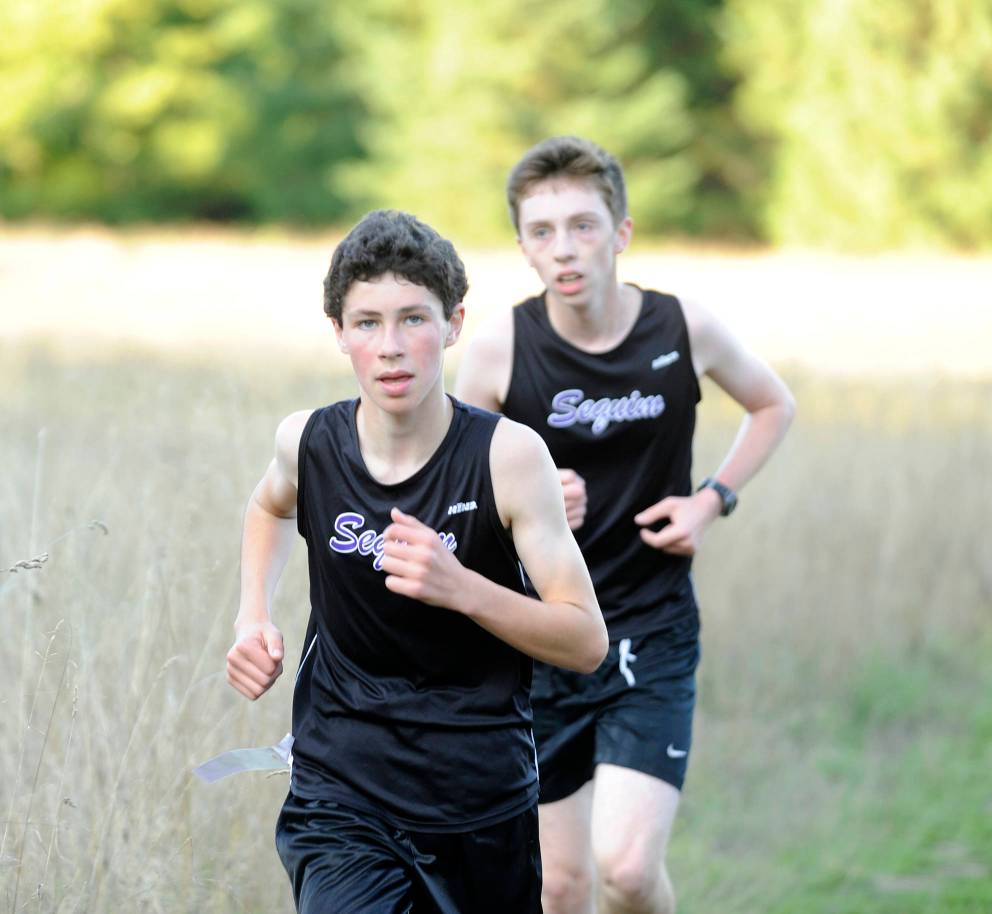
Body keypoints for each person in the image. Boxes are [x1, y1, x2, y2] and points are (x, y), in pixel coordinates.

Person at [225, 209, 607, 914]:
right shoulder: (306, 443)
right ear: (339, 332)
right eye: (367, 323)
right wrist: (253, 617)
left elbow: (585, 640)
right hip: (340, 790)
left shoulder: (510, 458)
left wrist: (463, 588)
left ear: (455, 322)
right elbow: (269, 508)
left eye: (414, 319)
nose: (391, 347)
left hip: (480, 800)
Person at [454, 136, 796, 914]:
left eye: (583, 225)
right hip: (544, 639)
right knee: (563, 886)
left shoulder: (683, 328)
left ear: (622, 232)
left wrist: (711, 500)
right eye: (542, 233)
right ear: (523, 248)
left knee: (630, 871)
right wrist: (529, 503)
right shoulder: (501, 349)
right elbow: (457, 492)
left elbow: (775, 404)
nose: (565, 249)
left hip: (652, 627)